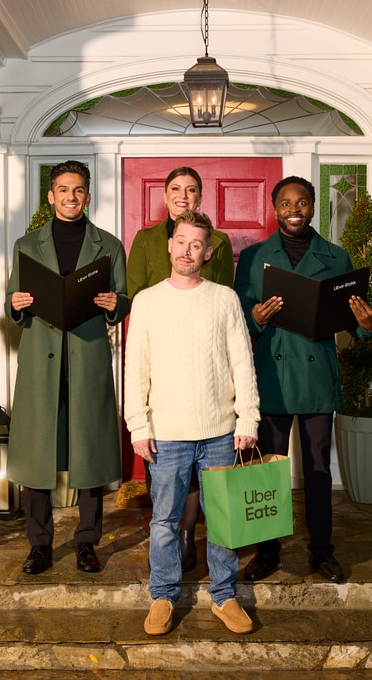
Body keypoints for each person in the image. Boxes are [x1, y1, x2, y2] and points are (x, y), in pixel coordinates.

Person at [234, 176, 372, 585]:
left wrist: (368, 324)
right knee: (268, 471)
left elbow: (355, 314)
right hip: (271, 377)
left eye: (301, 202)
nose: (293, 209)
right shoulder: (254, 257)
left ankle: (322, 552)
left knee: (317, 470)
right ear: (274, 208)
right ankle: (267, 552)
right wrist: (255, 317)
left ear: (313, 207)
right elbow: (237, 314)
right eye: (285, 203)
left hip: (316, 375)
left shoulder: (336, 256)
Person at [124, 209, 259, 636]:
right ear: (169, 244)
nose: (187, 250)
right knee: (164, 520)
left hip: (220, 430)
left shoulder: (224, 298)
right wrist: (138, 426)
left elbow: (242, 362)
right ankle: (163, 595)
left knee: (221, 520)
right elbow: (136, 369)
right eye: (181, 241)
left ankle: (224, 595)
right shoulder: (147, 301)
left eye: (196, 244)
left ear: (207, 251)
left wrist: (247, 419)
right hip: (166, 434)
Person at [4, 160, 129, 576]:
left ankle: (87, 541)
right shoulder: (26, 245)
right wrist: (16, 305)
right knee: (38, 453)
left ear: (87, 196)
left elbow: (123, 299)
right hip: (41, 362)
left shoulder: (109, 246)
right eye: (63, 189)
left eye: (78, 190)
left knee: (88, 451)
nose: (70, 197)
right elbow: (12, 302)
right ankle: (39, 545)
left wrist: (116, 305)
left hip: (88, 358)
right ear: (51, 195)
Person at [126, 166, 234, 573]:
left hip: (207, 382)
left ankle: (193, 534)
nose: (183, 195)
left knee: (212, 486)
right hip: (165, 371)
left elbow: (223, 302)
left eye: (191, 190)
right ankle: (170, 561)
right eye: (176, 189)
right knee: (171, 482)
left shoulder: (218, 244)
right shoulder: (147, 241)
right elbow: (136, 294)